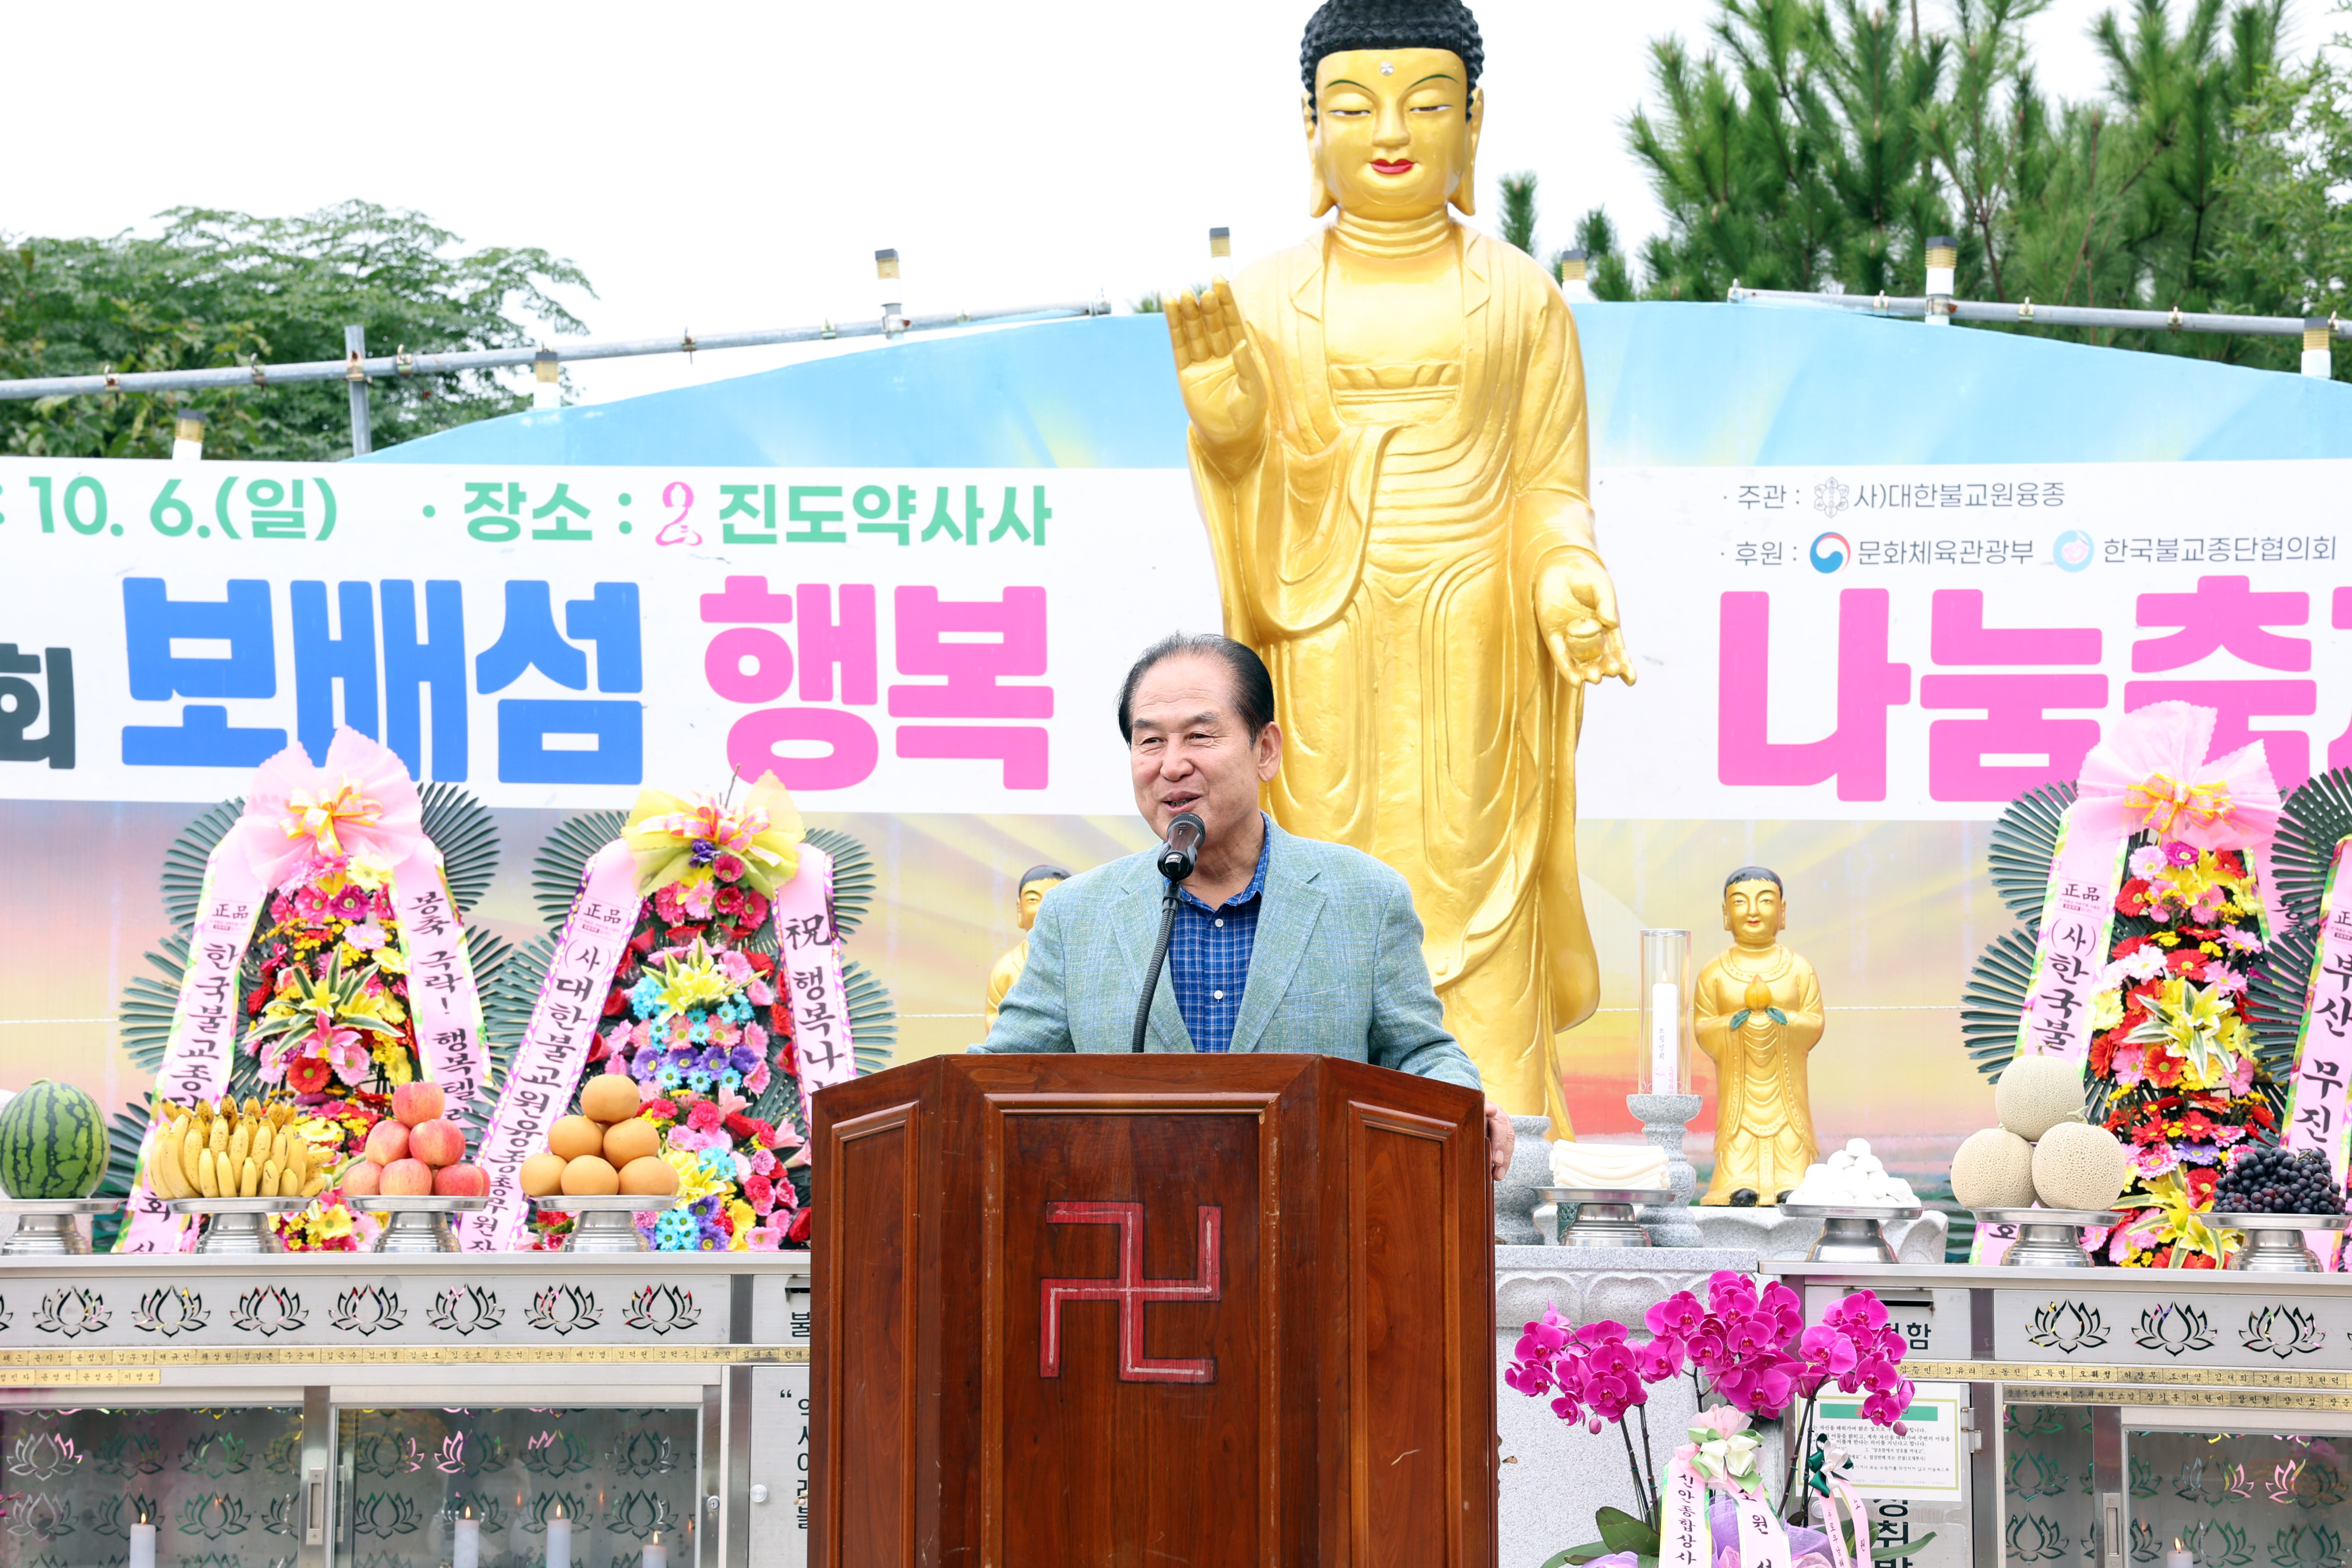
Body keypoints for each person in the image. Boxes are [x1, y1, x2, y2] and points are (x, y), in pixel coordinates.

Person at [1162, 0, 1635, 1141]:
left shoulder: (1520, 295)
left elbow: (1545, 487)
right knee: (1317, 873)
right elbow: (1243, 473)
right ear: (1309, 129)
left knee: (1479, 870)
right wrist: (1228, 430)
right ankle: (1315, 1119)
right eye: (1353, 105)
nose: (1391, 130)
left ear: (1472, 122)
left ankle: (1495, 1133)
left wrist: (1566, 572)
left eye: (1426, 104)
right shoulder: (1267, 298)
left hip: (1475, 629)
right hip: (1319, 628)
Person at [977, 632, 1515, 1178]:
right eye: (1151, 742)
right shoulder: (1076, 916)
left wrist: (1462, 1103)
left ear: (1265, 750)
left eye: (1200, 736)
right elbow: (1001, 1078)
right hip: (1135, 1235)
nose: (1172, 765)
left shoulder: (1365, 897)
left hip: (1310, 1230)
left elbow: (1418, 1055)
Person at [1692, 867, 1824, 1206]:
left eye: (1765, 901)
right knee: (1738, 1134)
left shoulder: (1798, 968)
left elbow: (1814, 1021)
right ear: (1726, 914)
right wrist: (1734, 1025)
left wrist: (1784, 1023)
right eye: (1740, 902)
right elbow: (1704, 1028)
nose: (1752, 911)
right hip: (1740, 1082)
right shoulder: (1714, 973)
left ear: (1782, 912)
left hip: (1785, 1080)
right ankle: (1738, 1183)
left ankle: (1791, 1182)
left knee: (1790, 1131)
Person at [984, 864, 1072, 1027]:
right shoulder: (1007, 968)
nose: (1044, 907)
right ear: (1020, 909)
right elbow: (994, 1017)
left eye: (1054, 898)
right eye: (1033, 900)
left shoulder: (1086, 963)